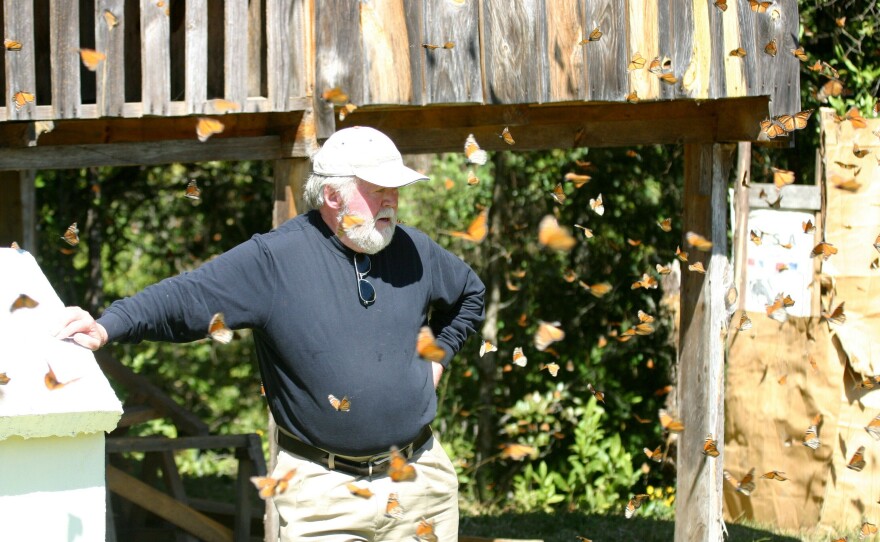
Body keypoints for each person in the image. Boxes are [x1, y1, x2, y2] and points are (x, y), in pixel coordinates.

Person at [56, 126, 486, 541]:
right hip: (323, 496)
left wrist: (437, 358)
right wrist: (108, 325)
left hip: (418, 482)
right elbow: (188, 298)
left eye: (396, 190)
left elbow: (470, 294)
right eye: (378, 190)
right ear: (333, 195)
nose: (392, 201)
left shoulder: (415, 249)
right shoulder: (275, 260)